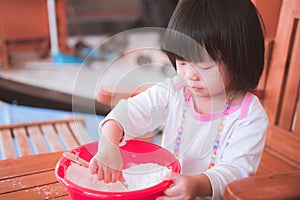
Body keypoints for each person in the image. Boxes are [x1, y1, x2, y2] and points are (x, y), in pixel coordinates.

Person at [89, 0, 268, 199]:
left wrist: (197, 185)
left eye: (205, 66)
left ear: (239, 59)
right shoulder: (175, 90)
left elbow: (236, 172)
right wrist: (108, 145)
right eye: (182, 62)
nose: (191, 75)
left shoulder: (249, 116)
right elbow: (128, 112)